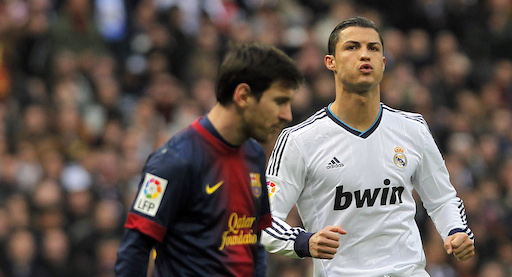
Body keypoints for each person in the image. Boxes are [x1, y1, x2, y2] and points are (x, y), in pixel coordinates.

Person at [261, 17, 475, 276]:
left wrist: (456, 230)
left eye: (373, 48)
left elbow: (442, 199)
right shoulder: (299, 140)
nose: (364, 55)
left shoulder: (413, 129)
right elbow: (262, 220)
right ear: (331, 62)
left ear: (383, 64)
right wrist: (304, 242)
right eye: (352, 47)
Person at [114, 42, 303, 276]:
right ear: (243, 95)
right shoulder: (173, 162)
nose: (287, 114)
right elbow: (135, 248)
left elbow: (254, 243)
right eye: (279, 101)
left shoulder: (254, 156)